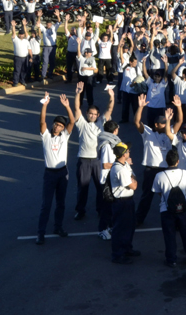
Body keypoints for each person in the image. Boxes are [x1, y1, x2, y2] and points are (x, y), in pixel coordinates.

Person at [134, 93, 183, 226]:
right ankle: (139, 219)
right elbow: (137, 122)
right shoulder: (148, 132)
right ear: (156, 124)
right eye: (162, 123)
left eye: (166, 122)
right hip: (151, 170)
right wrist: (141, 107)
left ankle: (175, 220)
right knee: (146, 196)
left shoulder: (169, 131)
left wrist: (179, 107)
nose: (165, 124)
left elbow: (179, 122)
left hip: (166, 170)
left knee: (169, 196)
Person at [35, 92, 75, 245]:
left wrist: (67, 107)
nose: (58, 126)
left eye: (60, 125)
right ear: (53, 124)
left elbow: (72, 121)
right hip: (49, 174)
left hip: (62, 173)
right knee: (46, 205)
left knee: (61, 203)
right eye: (56, 124)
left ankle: (58, 227)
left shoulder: (64, 136)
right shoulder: (45, 135)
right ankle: (41, 232)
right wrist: (45, 105)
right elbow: (42, 121)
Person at [73, 82, 115, 221]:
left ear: (98, 115)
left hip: (98, 161)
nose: (92, 115)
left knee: (100, 187)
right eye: (90, 113)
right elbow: (76, 108)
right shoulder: (82, 124)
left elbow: (109, 109)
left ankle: (100, 209)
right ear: (87, 114)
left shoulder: (101, 123)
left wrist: (111, 97)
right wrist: (78, 93)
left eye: (94, 114)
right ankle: (80, 210)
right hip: (84, 160)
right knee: (82, 188)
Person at [152, 149, 186, 268]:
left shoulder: (159, 175)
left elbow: (158, 192)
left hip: (166, 210)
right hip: (184, 209)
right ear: (178, 161)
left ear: (166, 161)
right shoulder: (185, 173)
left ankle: (171, 260)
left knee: (169, 236)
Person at [109, 143, 141, 264]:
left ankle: (127, 249)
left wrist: (133, 180)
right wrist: (134, 181)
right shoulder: (119, 169)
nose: (129, 153)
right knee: (120, 228)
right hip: (121, 202)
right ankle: (117, 254)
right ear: (123, 154)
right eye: (127, 151)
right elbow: (133, 185)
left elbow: (133, 177)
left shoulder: (125, 164)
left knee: (130, 226)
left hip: (128, 201)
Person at [97, 120, 121, 240]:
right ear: (115, 130)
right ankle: (102, 229)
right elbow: (105, 164)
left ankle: (110, 226)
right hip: (107, 180)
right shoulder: (107, 145)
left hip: (112, 178)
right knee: (107, 206)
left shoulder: (112, 142)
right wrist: (121, 164)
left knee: (112, 206)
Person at [12, 20, 32, 87]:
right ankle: (15, 82)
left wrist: (31, 57)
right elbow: (13, 33)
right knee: (17, 70)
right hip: (17, 57)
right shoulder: (15, 40)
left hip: (25, 57)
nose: (21, 35)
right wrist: (13, 26)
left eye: (22, 34)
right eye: (20, 34)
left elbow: (29, 49)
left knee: (24, 70)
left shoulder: (26, 41)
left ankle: (22, 80)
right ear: (19, 35)